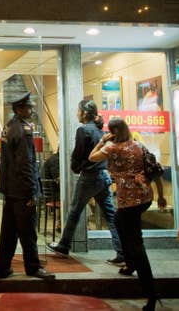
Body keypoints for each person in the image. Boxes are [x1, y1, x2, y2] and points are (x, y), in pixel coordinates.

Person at [89, 117, 166, 311]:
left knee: (136, 243)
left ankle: (150, 293)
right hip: (145, 196)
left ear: (113, 132)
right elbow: (154, 170)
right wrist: (161, 196)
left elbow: (92, 157)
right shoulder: (138, 145)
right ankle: (130, 264)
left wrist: (102, 140)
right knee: (118, 222)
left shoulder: (112, 148)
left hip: (129, 201)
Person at [47, 99, 124, 266]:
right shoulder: (100, 130)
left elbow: (79, 154)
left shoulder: (83, 131)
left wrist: (75, 167)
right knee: (111, 215)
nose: (76, 113)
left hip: (89, 177)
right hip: (103, 176)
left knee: (75, 211)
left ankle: (64, 245)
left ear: (84, 112)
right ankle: (121, 251)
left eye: (78, 110)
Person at [0, 92, 55, 280]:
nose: (31, 109)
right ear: (19, 109)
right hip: (22, 190)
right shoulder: (22, 130)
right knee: (28, 232)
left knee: (9, 233)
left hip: (10, 189)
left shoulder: (9, 127)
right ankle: (33, 267)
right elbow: (25, 163)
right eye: (28, 107)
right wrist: (31, 192)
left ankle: (2, 267)